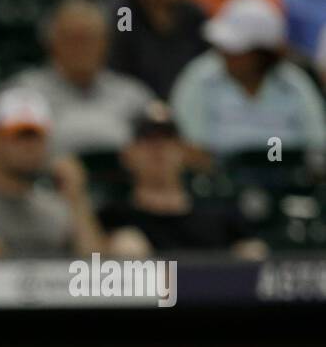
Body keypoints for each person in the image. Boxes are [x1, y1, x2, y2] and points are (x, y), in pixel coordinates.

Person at [0, 0, 155, 155]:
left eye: (90, 38)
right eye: (72, 38)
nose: (82, 47)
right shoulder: (22, 93)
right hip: (43, 181)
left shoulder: (134, 96)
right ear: (50, 42)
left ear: (106, 43)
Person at [101, 102, 267, 258]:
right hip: (147, 287)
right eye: (147, 138)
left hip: (213, 287)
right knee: (127, 246)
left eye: (167, 138)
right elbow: (88, 262)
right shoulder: (116, 215)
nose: (158, 147)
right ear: (128, 155)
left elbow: (256, 251)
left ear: (184, 151)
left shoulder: (217, 211)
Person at [171, 0, 326, 157]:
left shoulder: (294, 85)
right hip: (217, 180)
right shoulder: (199, 79)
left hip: (286, 179)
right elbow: (187, 147)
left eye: (237, 50)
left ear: (261, 54)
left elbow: (316, 147)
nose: (226, 54)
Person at [0, 88, 104, 257]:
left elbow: (94, 269)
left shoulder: (56, 207)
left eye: (37, 136)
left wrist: (77, 197)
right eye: (19, 135)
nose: (29, 146)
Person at [107, 0, 209, 99]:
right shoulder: (124, 14)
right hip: (136, 102)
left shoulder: (192, 14)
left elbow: (207, 63)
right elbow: (116, 72)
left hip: (188, 99)